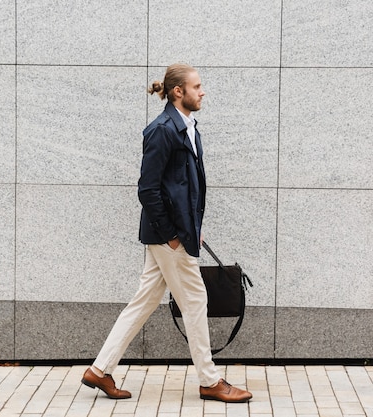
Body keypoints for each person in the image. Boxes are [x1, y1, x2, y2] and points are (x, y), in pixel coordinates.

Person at [81, 63, 252, 403]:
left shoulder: (187, 126)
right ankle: (210, 380)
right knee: (195, 301)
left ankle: (99, 371)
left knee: (143, 301)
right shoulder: (162, 130)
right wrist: (173, 234)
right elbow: (148, 189)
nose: (202, 92)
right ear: (179, 92)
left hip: (177, 233)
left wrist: (193, 228)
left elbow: (183, 186)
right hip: (168, 237)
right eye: (197, 86)